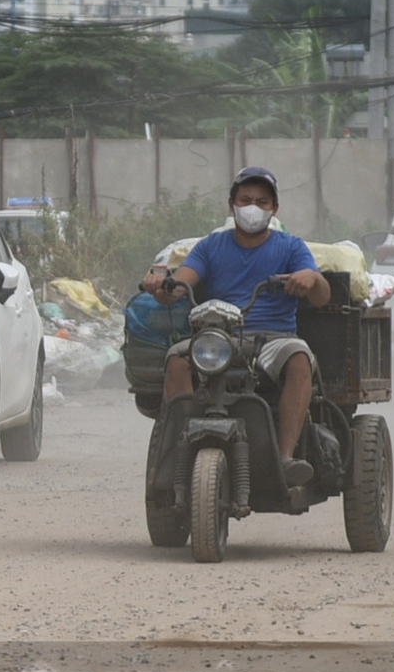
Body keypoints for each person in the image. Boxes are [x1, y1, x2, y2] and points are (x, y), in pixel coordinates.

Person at [139, 166, 332, 486]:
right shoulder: (210, 247)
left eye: (262, 201)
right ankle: (179, 452)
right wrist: (161, 285)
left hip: (273, 340)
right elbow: (178, 287)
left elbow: (322, 297)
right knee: (177, 359)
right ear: (232, 204)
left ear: (274, 209)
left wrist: (311, 278)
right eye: (246, 199)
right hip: (218, 337)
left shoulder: (291, 247)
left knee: (299, 357)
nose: (253, 207)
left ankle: (285, 457)